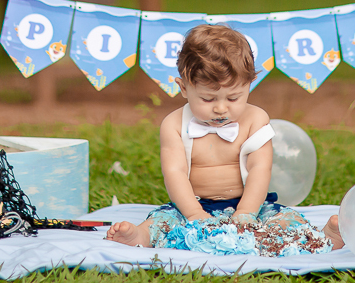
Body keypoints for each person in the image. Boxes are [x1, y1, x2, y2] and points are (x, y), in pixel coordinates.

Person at [105, 24, 341, 252]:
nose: (220, 108)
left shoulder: (256, 119)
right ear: (184, 88)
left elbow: (260, 168)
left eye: (233, 98)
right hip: (193, 204)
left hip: (250, 202)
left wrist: (247, 211)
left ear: (250, 85)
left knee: (285, 221)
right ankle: (141, 236)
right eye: (208, 99)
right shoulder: (174, 125)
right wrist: (194, 213)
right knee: (165, 221)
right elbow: (174, 173)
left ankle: (323, 238)